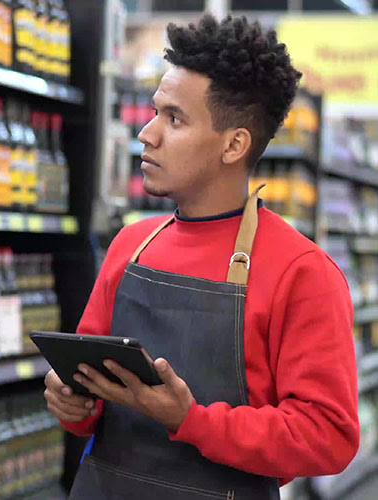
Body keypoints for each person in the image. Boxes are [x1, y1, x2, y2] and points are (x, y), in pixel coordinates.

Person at [44, 13, 359, 500]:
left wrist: (191, 420)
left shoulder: (303, 272)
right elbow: (88, 400)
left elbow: (328, 438)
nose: (147, 134)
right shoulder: (131, 245)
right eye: (155, 113)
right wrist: (73, 400)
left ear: (234, 144)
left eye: (175, 119)